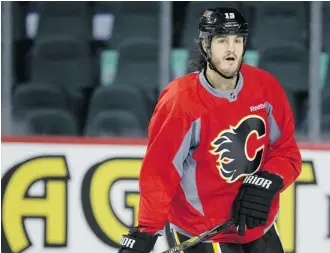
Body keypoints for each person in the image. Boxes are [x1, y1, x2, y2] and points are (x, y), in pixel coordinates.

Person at [118, 7, 302, 253]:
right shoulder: (180, 101)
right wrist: (146, 230)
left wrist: (268, 180)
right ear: (205, 45)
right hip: (201, 236)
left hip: (258, 230)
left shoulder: (265, 87)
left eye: (238, 40)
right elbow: (160, 173)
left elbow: (287, 151)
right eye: (222, 40)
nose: (231, 49)